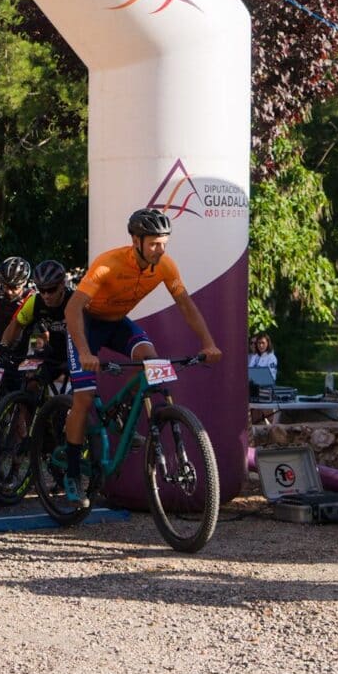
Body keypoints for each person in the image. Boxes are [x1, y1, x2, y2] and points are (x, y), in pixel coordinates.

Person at [63, 209, 222, 503]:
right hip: (88, 323)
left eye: (164, 243)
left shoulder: (165, 266)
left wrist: (208, 344)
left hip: (118, 323)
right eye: (153, 244)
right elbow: (72, 309)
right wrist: (84, 351)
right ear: (136, 241)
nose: (160, 250)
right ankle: (72, 472)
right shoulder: (107, 264)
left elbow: (186, 306)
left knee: (152, 362)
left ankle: (121, 416)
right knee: (83, 399)